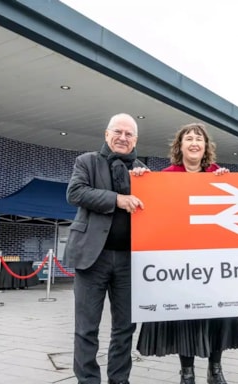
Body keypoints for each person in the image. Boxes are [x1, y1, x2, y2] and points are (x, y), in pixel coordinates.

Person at [137, 123, 238, 384]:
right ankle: (187, 371)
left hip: (216, 260)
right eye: (189, 138)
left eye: (199, 139)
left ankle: (215, 368)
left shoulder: (220, 175)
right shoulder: (165, 176)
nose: (194, 143)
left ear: (206, 146)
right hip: (180, 261)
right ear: (180, 146)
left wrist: (232, 180)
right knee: (185, 315)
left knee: (218, 312)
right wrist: (142, 180)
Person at [65, 113, 149, 384]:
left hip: (129, 261)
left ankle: (119, 380)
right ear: (106, 134)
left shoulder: (142, 170)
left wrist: (145, 183)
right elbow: (75, 193)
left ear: (135, 139)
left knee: (125, 328)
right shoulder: (87, 162)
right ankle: (88, 380)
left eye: (129, 134)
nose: (123, 138)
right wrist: (117, 200)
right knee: (86, 327)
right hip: (92, 257)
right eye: (118, 132)